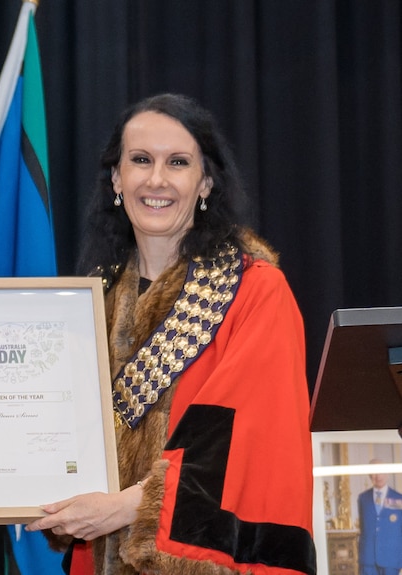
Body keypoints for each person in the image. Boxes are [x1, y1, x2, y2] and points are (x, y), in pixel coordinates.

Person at [27, 94, 316, 574]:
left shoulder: (255, 292)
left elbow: (247, 448)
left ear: (205, 182)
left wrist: (126, 509)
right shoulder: (90, 300)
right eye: (140, 160)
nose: (156, 179)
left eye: (177, 163)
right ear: (117, 179)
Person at [357, 460, 402, 575]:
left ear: (387, 473)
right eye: (374, 472)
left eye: (381, 472)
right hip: (368, 559)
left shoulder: (399, 498)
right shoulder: (363, 498)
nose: (378, 476)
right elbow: (363, 529)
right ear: (369, 475)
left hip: (391, 559)